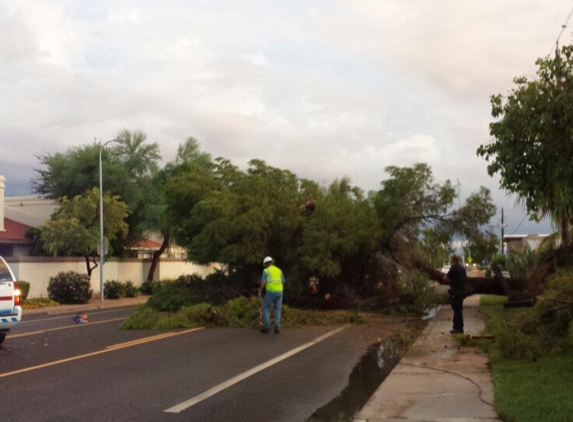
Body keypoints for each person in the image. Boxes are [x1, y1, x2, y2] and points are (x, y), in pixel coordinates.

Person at [259, 256, 285, 334]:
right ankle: (277, 328)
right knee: (277, 309)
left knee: (265, 308)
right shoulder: (279, 270)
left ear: (265, 264)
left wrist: (260, 290)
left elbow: (263, 282)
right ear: (272, 262)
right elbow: (283, 281)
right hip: (279, 291)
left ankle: (267, 327)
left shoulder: (266, 271)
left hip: (270, 291)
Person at [443, 254, 466, 334]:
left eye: (451, 261)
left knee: (456, 310)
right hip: (462, 292)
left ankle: (457, 328)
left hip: (455, 292)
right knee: (459, 310)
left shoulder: (453, 269)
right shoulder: (463, 269)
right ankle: (460, 327)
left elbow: (445, 278)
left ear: (453, 261)